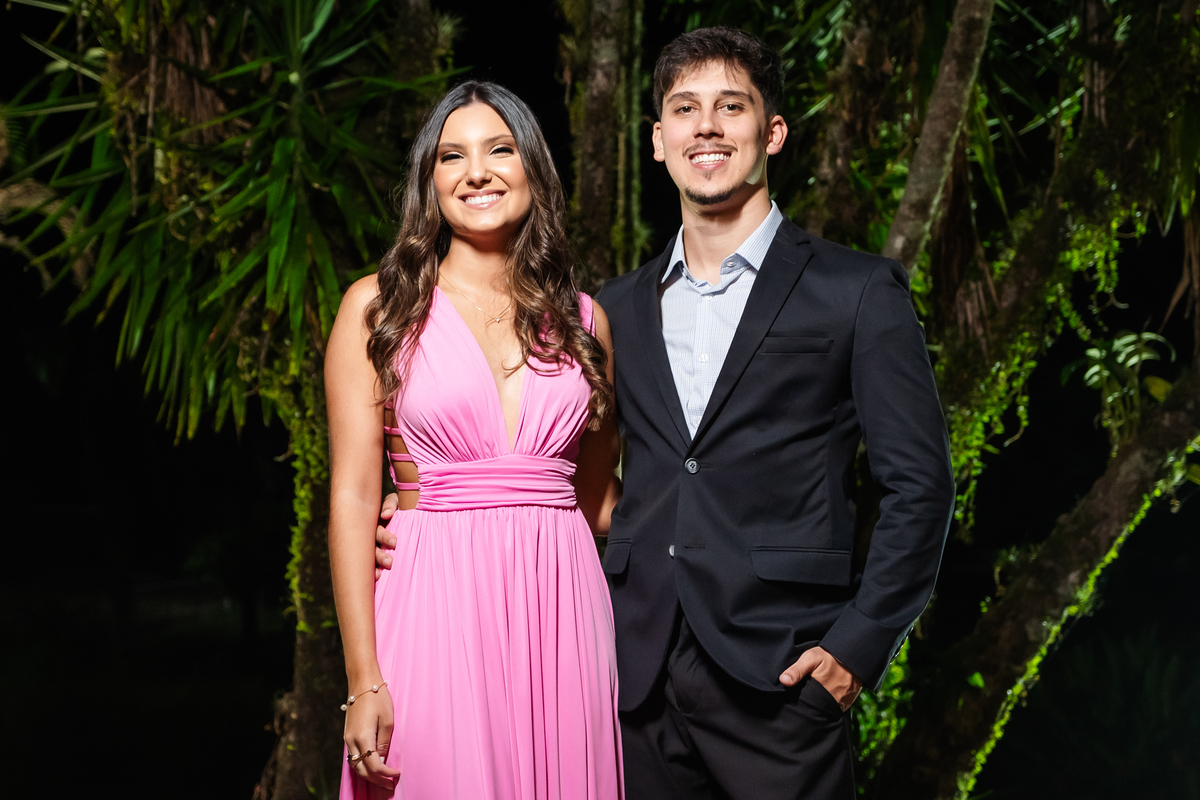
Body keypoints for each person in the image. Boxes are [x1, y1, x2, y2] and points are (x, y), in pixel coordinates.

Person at [377, 27, 954, 800]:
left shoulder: (856, 292)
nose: (706, 126)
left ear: (773, 132)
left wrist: (859, 645)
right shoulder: (610, 311)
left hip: (783, 679)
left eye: (731, 106)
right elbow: (588, 483)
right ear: (658, 140)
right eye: (684, 109)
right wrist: (424, 509)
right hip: (634, 681)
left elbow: (921, 487)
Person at [326, 80, 624, 800]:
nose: (477, 172)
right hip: (433, 598)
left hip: (561, 607)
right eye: (452, 156)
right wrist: (363, 680)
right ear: (430, 182)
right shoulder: (378, 308)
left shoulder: (586, 321)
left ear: (533, 169)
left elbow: (595, 496)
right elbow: (354, 497)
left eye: (500, 149)